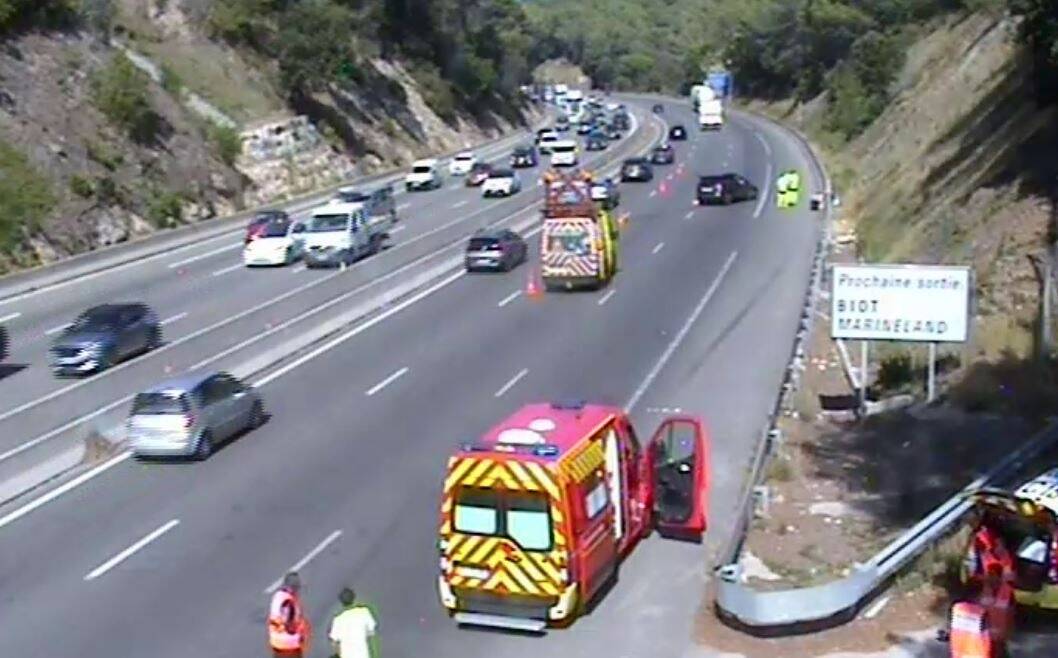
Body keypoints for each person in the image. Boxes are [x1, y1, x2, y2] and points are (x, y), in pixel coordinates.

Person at [268, 572, 311, 657]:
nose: (298, 590)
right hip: (289, 645)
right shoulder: (288, 602)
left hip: (277, 642)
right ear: (294, 587)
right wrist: (300, 635)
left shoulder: (278, 596)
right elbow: (288, 623)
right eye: (297, 587)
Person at [329, 587, 378, 658]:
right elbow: (371, 631)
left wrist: (339, 654)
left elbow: (334, 642)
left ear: (341, 602)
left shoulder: (338, 619)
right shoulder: (364, 612)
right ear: (353, 598)